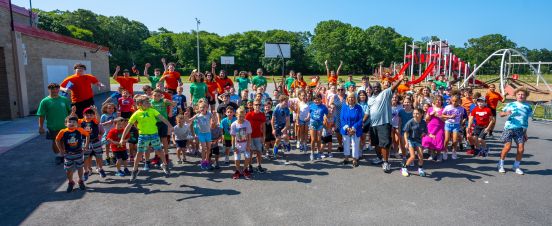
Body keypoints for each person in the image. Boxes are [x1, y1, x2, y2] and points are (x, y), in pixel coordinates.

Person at [121, 95, 173, 181]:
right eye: (147, 102)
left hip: (154, 135)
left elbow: (162, 118)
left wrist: (170, 126)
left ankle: (165, 164)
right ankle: (135, 170)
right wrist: (122, 138)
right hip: (143, 136)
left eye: (149, 102)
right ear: (140, 104)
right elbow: (128, 126)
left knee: (159, 150)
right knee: (139, 153)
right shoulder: (136, 113)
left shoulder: (152, 110)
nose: (149, 103)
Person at [367, 76, 404, 172]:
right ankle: (379, 158)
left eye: (377, 87)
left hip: (384, 123)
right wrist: (362, 122)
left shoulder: (385, 94)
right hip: (373, 124)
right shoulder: (370, 99)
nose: (375, 88)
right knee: (376, 144)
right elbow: (368, 112)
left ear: (380, 88)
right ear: (371, 89)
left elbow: (393, 88)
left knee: (384, 144)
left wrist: (399, 80)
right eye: (374, 87)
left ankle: (386, 162)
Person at [498, 88, 532, 175]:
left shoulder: (528, 107)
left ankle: (516, 166)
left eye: (523, 94)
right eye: (519, 94)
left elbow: (525, 121)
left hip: (520, 130)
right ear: (515, 95)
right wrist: (506, 113)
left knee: (521, 149)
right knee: (507, 147)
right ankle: (500, 164)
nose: (521, 96)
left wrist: (525, 133)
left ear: (526, 96)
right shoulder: (510, 104)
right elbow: (500, 114)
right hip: (509, 128)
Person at [38, 83, 72, 165]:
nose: (54, 90)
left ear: (59, 90)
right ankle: (58, 155)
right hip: (52, 126)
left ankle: (64, 155)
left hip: (65, 126)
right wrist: (40, 127)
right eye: (52, 89)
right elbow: (41, 115)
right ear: (49, 90)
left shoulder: (64, 99)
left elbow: (70, 112)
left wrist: (72, 122)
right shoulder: (45, 101)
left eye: (56, 89)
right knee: (55, 141)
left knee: (65, 141)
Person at [55, 115, 90, 192]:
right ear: (65, 124)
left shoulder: (79, 130)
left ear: (77, 124)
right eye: (69, 122)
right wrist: (60, 149)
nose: (72, 123)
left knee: (80, 168)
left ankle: (80, 180)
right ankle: (71, 182)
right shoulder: (63, 131)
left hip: (79, 153)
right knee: (68, 170)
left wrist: (86, 145)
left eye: (74, 122)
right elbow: (57, 140)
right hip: (68, 154)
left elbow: (87, 135)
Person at [79, 106, 106, 180]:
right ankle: (87, 170)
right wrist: (73, 112)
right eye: (87, 115)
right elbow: (72, 119)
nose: (89, 116)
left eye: (91, 115)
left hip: (95, 141)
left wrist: (95, 110)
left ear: (93, 116)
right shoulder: (81, 122)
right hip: (85, 143)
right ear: (83, 115)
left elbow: (98, 119)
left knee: (99, 156)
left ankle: (100, 169)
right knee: (86, 157)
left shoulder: (94, 121)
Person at [151, 89, 176, 165]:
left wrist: (170, 102)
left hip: (163, 123)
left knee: (164, 140)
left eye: (158, 95)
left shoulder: (164, 101)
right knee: (156, 140)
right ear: (152, 95)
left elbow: (174, 104)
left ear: (161, 96)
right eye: (155, 95)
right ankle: (156, 156)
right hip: (154, 123)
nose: (156, 97)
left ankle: (166, 155)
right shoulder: (150, 102)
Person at [402, 108, 428, 177]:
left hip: (418, 140)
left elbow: (425, 131)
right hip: (410, 140)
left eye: (417, 113)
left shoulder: (423, 122)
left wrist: (425, 134)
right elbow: (405, 132)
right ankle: (404, 168)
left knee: (421, 156)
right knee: (413, 156)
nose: (415, 115)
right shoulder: (410, 122)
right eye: (414, 113)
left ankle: (420, 169)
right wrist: (406, 142)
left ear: (421, 114)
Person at [340, 93, 364, 167]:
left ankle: (354, 159)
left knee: (355, 144)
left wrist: (354, 128)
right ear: (347, 99)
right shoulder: (344, 107)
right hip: (346, 129)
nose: (351, 99)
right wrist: (347, 128)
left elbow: (360, 119)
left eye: (352, 97)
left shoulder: (358, 107)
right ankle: (346, 158)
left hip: (355, 129)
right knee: (346, 143)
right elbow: (342, 118)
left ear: (355, 99)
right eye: (349, 97)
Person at [190, 102, 215, 170]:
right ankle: (203, 161)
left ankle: (207, 161)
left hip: (208, 133)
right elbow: (190, 120)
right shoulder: (197, 115)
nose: (202, 109)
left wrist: (214, 118)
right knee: (204, 149)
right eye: (201, 107)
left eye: (204, 107)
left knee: (208, 148)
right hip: (201, 134)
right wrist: (186, 117)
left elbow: (214, 120)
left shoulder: (209, 114)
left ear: (207, 108)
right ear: (199, 108)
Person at [230, 107, 253, 179]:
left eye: (243, 116)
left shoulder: (247, 123)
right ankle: (238, 170)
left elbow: (249, 135)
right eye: (240, 116)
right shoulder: (234, 124)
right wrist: (233, 147)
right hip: (237, 145)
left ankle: (245, 169)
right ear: (236, 115)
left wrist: (248, 145)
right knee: (237, 159)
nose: (241, 118)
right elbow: (233, 137)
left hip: (245, 144)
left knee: (247, 157)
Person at [245, 101, 268, 173]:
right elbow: (245, 126)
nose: (257, 106)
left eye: (259, 105)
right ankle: (250, 165)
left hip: (259, 136)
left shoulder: (262, 115)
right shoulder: (249, 115)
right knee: (250, 151)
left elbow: (264, 126)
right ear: (253, 106)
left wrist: (264, 136)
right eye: (256, 105)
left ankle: (259, 165)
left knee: (259, 151)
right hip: (250, 136)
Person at [422, 95, 446, 161]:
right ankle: (432, 154)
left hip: (440, 127)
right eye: (437, 100)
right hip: (431, 127)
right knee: (429, 140)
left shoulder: (444, 110)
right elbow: (427, 119)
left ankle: (439, 155)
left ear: (441, 101)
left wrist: (438, 116)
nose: (438, 101)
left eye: (439, 100)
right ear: (434, 101)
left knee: (439, 140)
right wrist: (430, 114)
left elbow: (445, 120)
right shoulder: (430, 109)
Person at [442, 95, 466, 160]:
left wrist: (461, 124)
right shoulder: (447, 107)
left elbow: (461, 117)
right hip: (448, 124)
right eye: (453, 101)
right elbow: (442, 115)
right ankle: (445, 151)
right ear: (450, 101)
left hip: (456, 125)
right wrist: (449, 117)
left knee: (455, 140)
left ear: (459, 101)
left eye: (456, 101)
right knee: (446, 140)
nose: (454, 102)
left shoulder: (461, 108)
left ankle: (454, 151)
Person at [307, 94, 328, 161]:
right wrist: (306, 118)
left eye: (318, 100)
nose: (317, 101)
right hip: (312, 124)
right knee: (313, 139)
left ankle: (318, 152)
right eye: (315, 100)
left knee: (319, 139)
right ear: (313, 100)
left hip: (320, 124)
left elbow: (327, 115)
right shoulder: (311, 106)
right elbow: (308, 114)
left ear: (321, 99)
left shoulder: (324, 107)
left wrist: (327, 119)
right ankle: (312, 152)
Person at [272, 95, 292, 164]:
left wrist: (285, 128)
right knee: (278, 139)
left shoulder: (287, 110)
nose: (287, 103)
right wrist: (273, 129)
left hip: (284, 125)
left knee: (285, 136)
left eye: (287, 102)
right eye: (285, 102)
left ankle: (287, 143)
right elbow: (272, 120)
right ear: (281, 101)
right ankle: (275, 153)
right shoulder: (276, 108)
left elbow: (288, 122)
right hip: (277, 125)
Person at [330, 86, 347, 152]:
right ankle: (340, 144)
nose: (340, 91)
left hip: (345, 116)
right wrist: (332, 105)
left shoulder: (347, 96)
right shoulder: (334, 97)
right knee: (338, 132)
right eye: (339, 89)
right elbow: (331, 104)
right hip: (337, 116)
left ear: (344, 90)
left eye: (342, 89)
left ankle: (345, 144)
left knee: (345, 131)